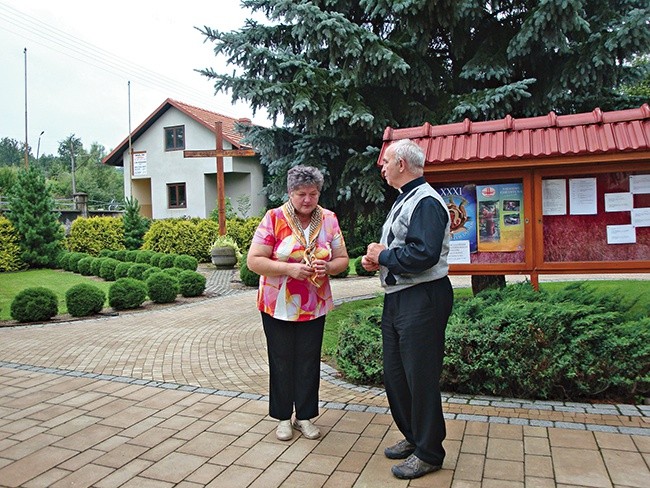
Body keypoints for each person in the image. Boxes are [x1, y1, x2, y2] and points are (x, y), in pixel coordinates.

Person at [362, 138, 453, 480]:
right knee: (397, 375)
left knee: (420, 377)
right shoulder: (407, 199)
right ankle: (414, 438)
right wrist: (378, 260)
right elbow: (401, 249)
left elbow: (423, 254)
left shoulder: (427, 202)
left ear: (401, 164)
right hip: (399, 297)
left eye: (385, 161)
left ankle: (429, 452)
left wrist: (383, 256)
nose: (382, 167)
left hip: (423, 298)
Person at [247, 165, 349, 442]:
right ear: (290, 193)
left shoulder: (328, 219)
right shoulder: (274, 218)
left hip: (314, 304)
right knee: (281, 361)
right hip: (276, 304)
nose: (307, 200)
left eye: (313, 194)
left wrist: (327, 267)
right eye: (301, 194)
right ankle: (282, 417)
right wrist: (288, 269)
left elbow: (343, 260)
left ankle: (303, 416)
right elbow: (254, 260)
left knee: (307, 361)